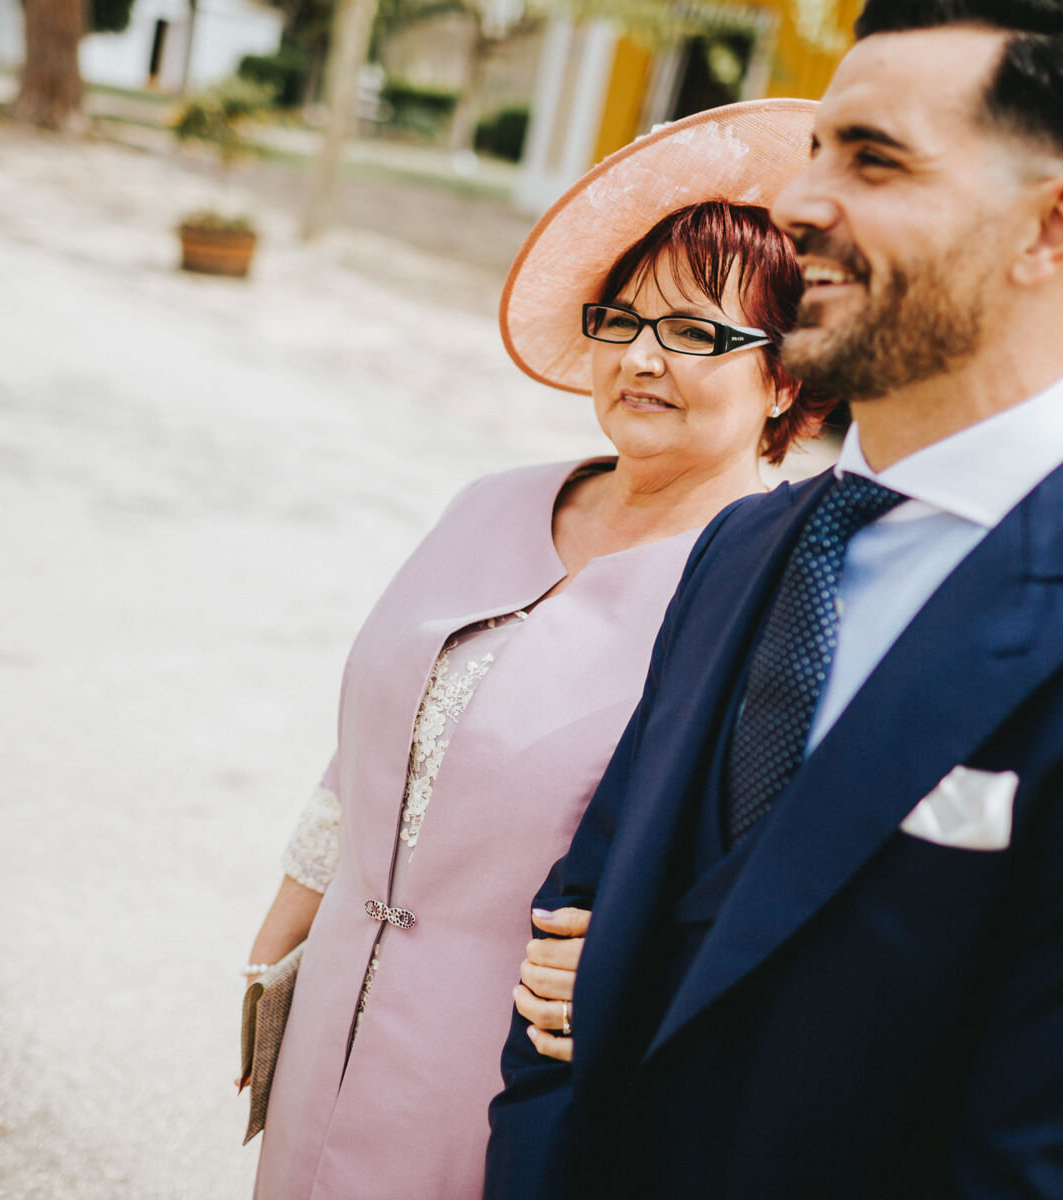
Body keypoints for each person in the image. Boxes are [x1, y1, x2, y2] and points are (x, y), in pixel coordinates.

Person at [489, 2, 1063, 1197]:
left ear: (1052, 226)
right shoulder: (743, 545)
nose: (796, 202)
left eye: (873, 160)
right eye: (819, 148)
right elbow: (583, 924)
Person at [245, 101, 828, 1200]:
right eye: (626, 320)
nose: (645, 359)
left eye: (697, 333)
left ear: (786, 378)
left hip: (516, 1088)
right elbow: (363, 749)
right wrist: (279, 953)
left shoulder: (774, 594)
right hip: (326, 1025)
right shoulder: (491, 502)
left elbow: (761, 882)